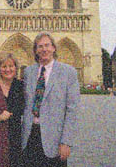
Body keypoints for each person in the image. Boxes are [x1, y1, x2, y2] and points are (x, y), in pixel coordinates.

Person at [21, 32, 80, 167]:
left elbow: (72, 110)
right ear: (35, 51)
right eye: (40, 46)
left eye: (47, 45)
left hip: (54, 139)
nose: (44, 49)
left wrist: (66, 142)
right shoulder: (28, 72)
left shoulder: (68, 72)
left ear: (54, 48)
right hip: (30, 136)